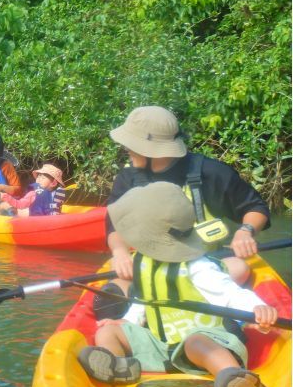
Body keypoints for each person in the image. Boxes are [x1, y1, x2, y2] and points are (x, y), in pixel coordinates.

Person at [78, 182, 278, 387]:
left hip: (210, 343)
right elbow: (146, 301)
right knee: (109, 332)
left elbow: (229, 293)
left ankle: (233, 377)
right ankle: (120, 367)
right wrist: (126, 321)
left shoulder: (197, 267)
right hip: (164, 345)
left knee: (195, 342)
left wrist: (256, 308)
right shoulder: (145, 262)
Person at [95, 106, 271, 319]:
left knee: (239, 268)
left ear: (151, 149)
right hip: (150, 263)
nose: (127, 150)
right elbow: (114, 225)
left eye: (132, 145)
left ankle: (162, 305)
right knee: (109, 299)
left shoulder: (212, 173)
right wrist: (120, 253)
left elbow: (255, 208)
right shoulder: (128, 178)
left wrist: (245, 231)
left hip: (204, 262)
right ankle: (137, 313)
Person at [0, 164, 66, 216]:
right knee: (13, 210)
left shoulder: (56, 193)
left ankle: (53, 212)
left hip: (45, 221)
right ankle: (8, 212)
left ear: (53, 183)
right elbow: (20, 204)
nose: (39, 179)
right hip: (36, 222)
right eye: (38, 177)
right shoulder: (33, 193)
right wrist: (8, 198)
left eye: (43, 178)